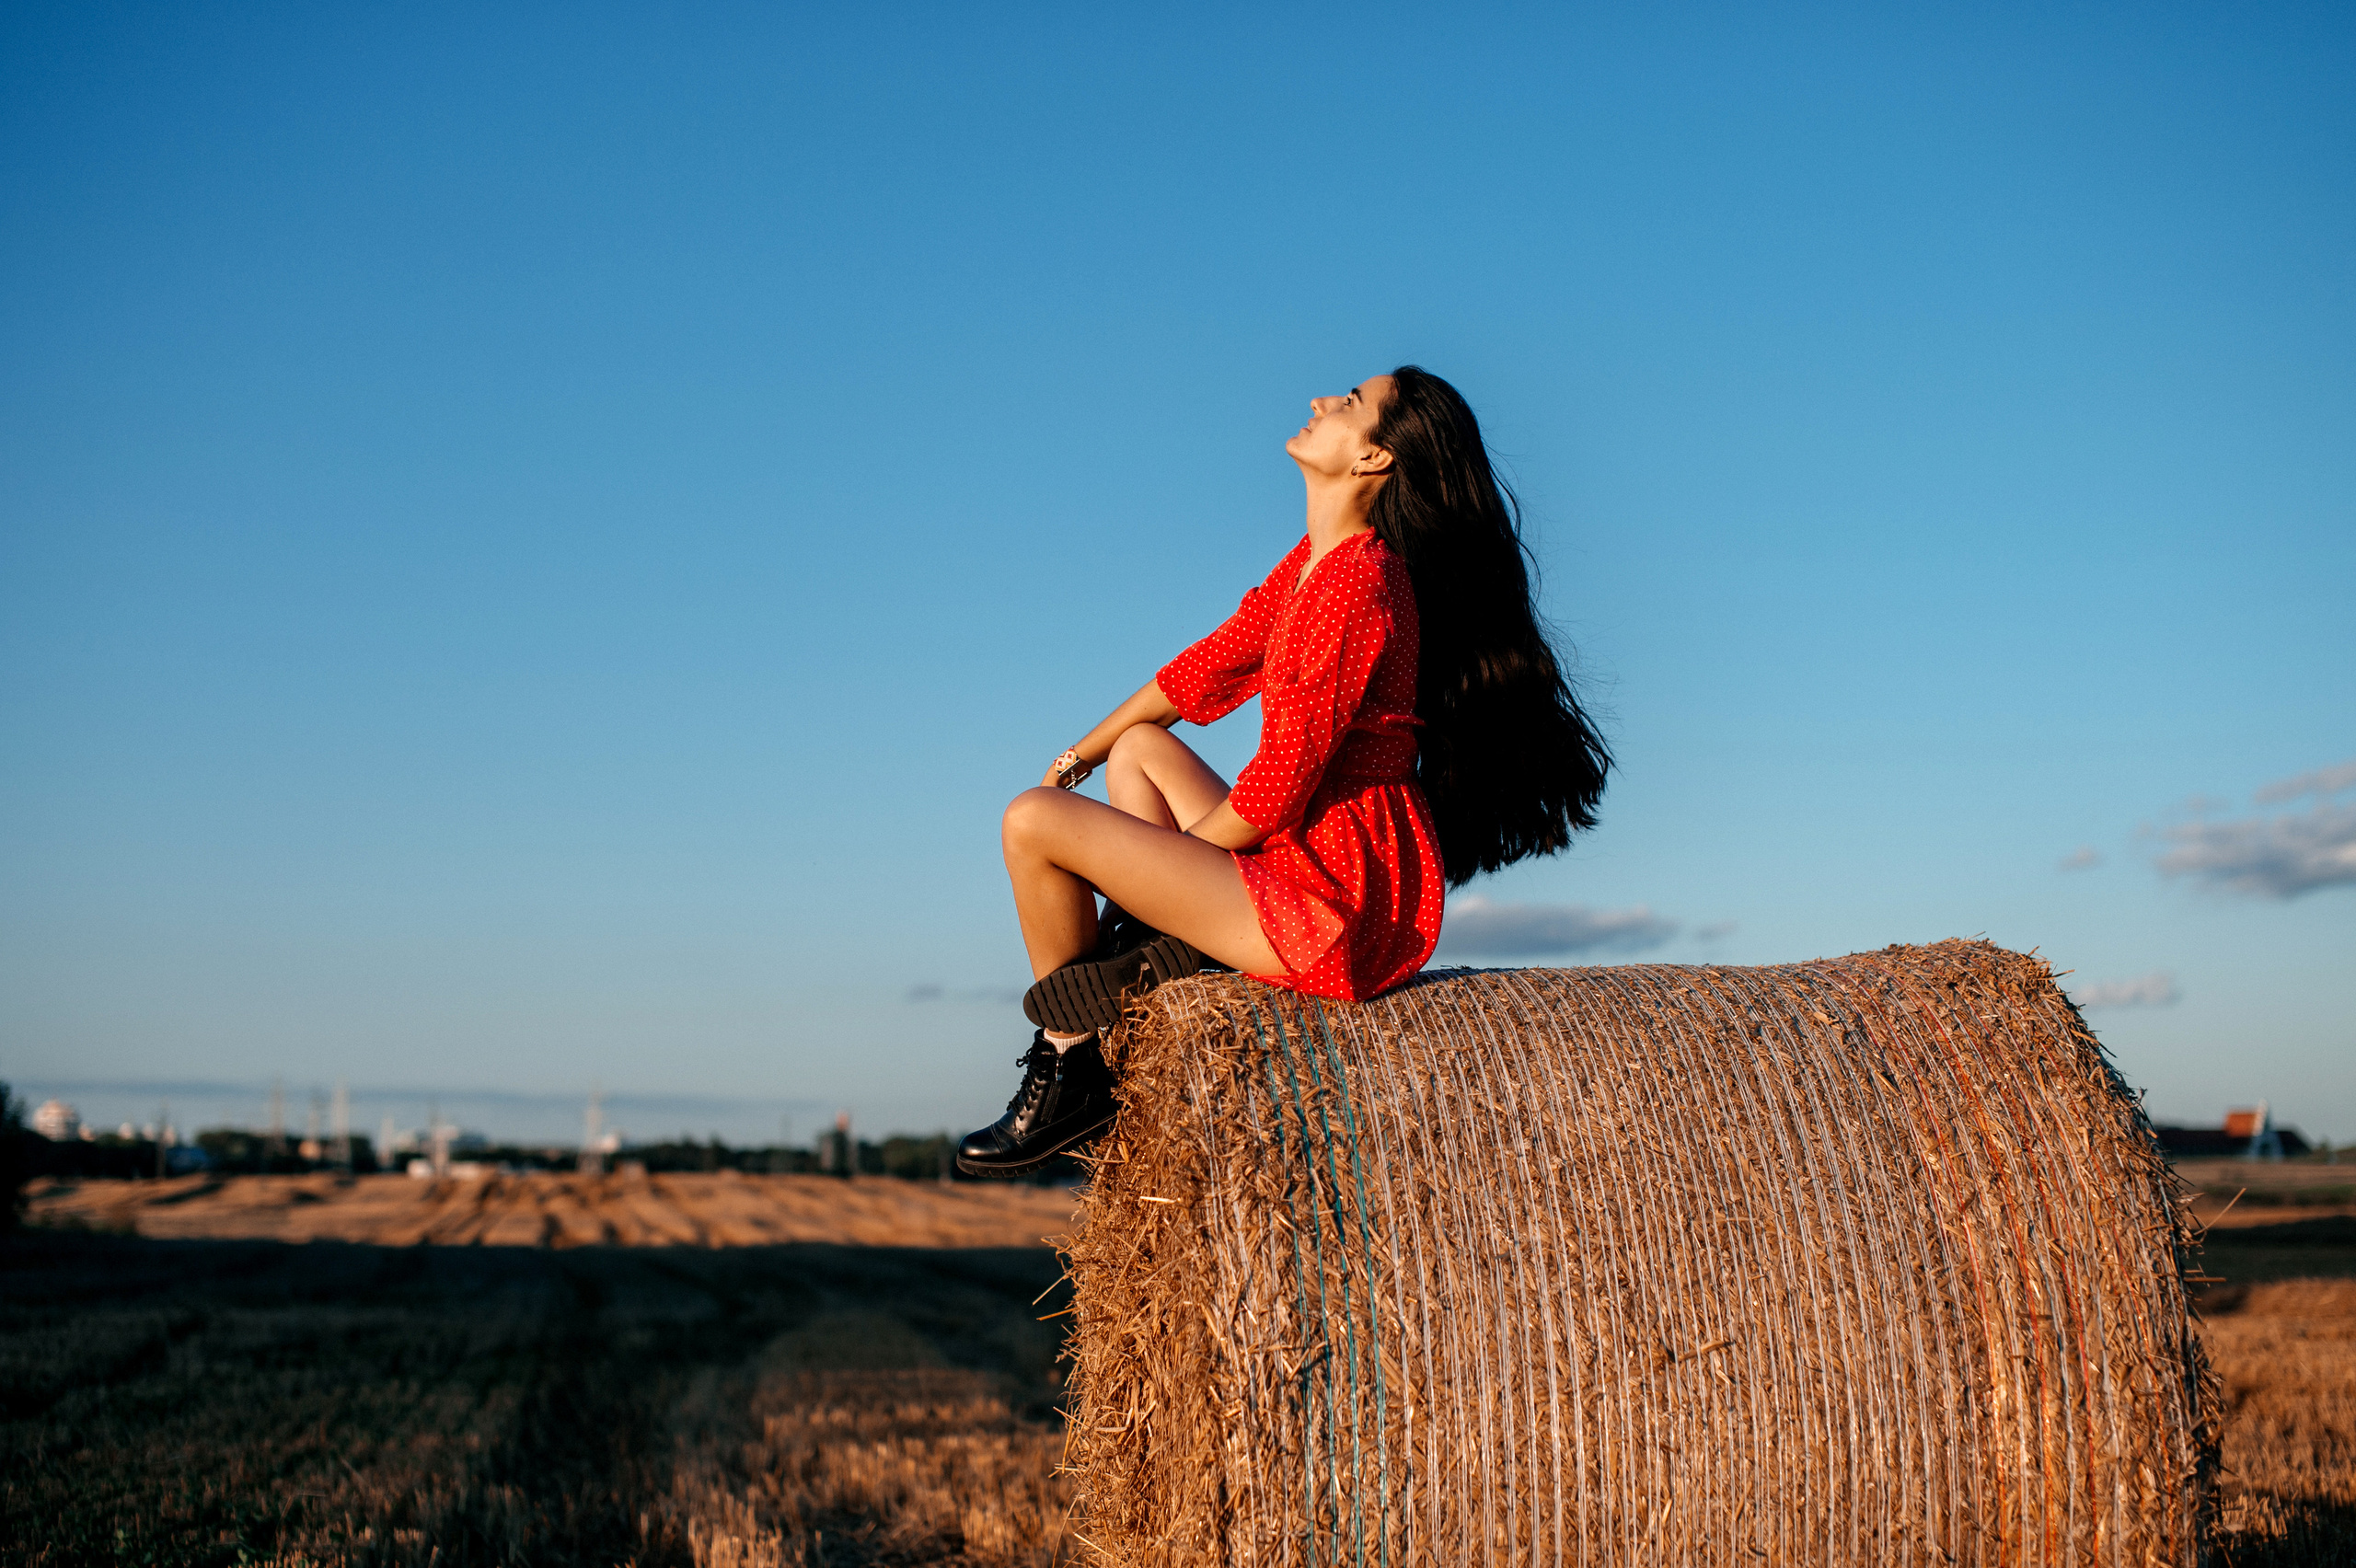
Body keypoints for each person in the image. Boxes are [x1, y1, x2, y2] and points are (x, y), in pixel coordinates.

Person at [955, 367, 1611, 1177]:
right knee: (1138, 751)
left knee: (1030, 823)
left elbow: (1274, 790)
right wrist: (1080, 756)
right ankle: (1157, 956)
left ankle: (1070, 1055)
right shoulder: (1315, 563)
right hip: (1305, 853)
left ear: (1374, 460)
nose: (1319, 401)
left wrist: (1155, 880)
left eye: (1349, 404)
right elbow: (1205, 668)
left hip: (1336, 902)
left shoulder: (1358, 587)